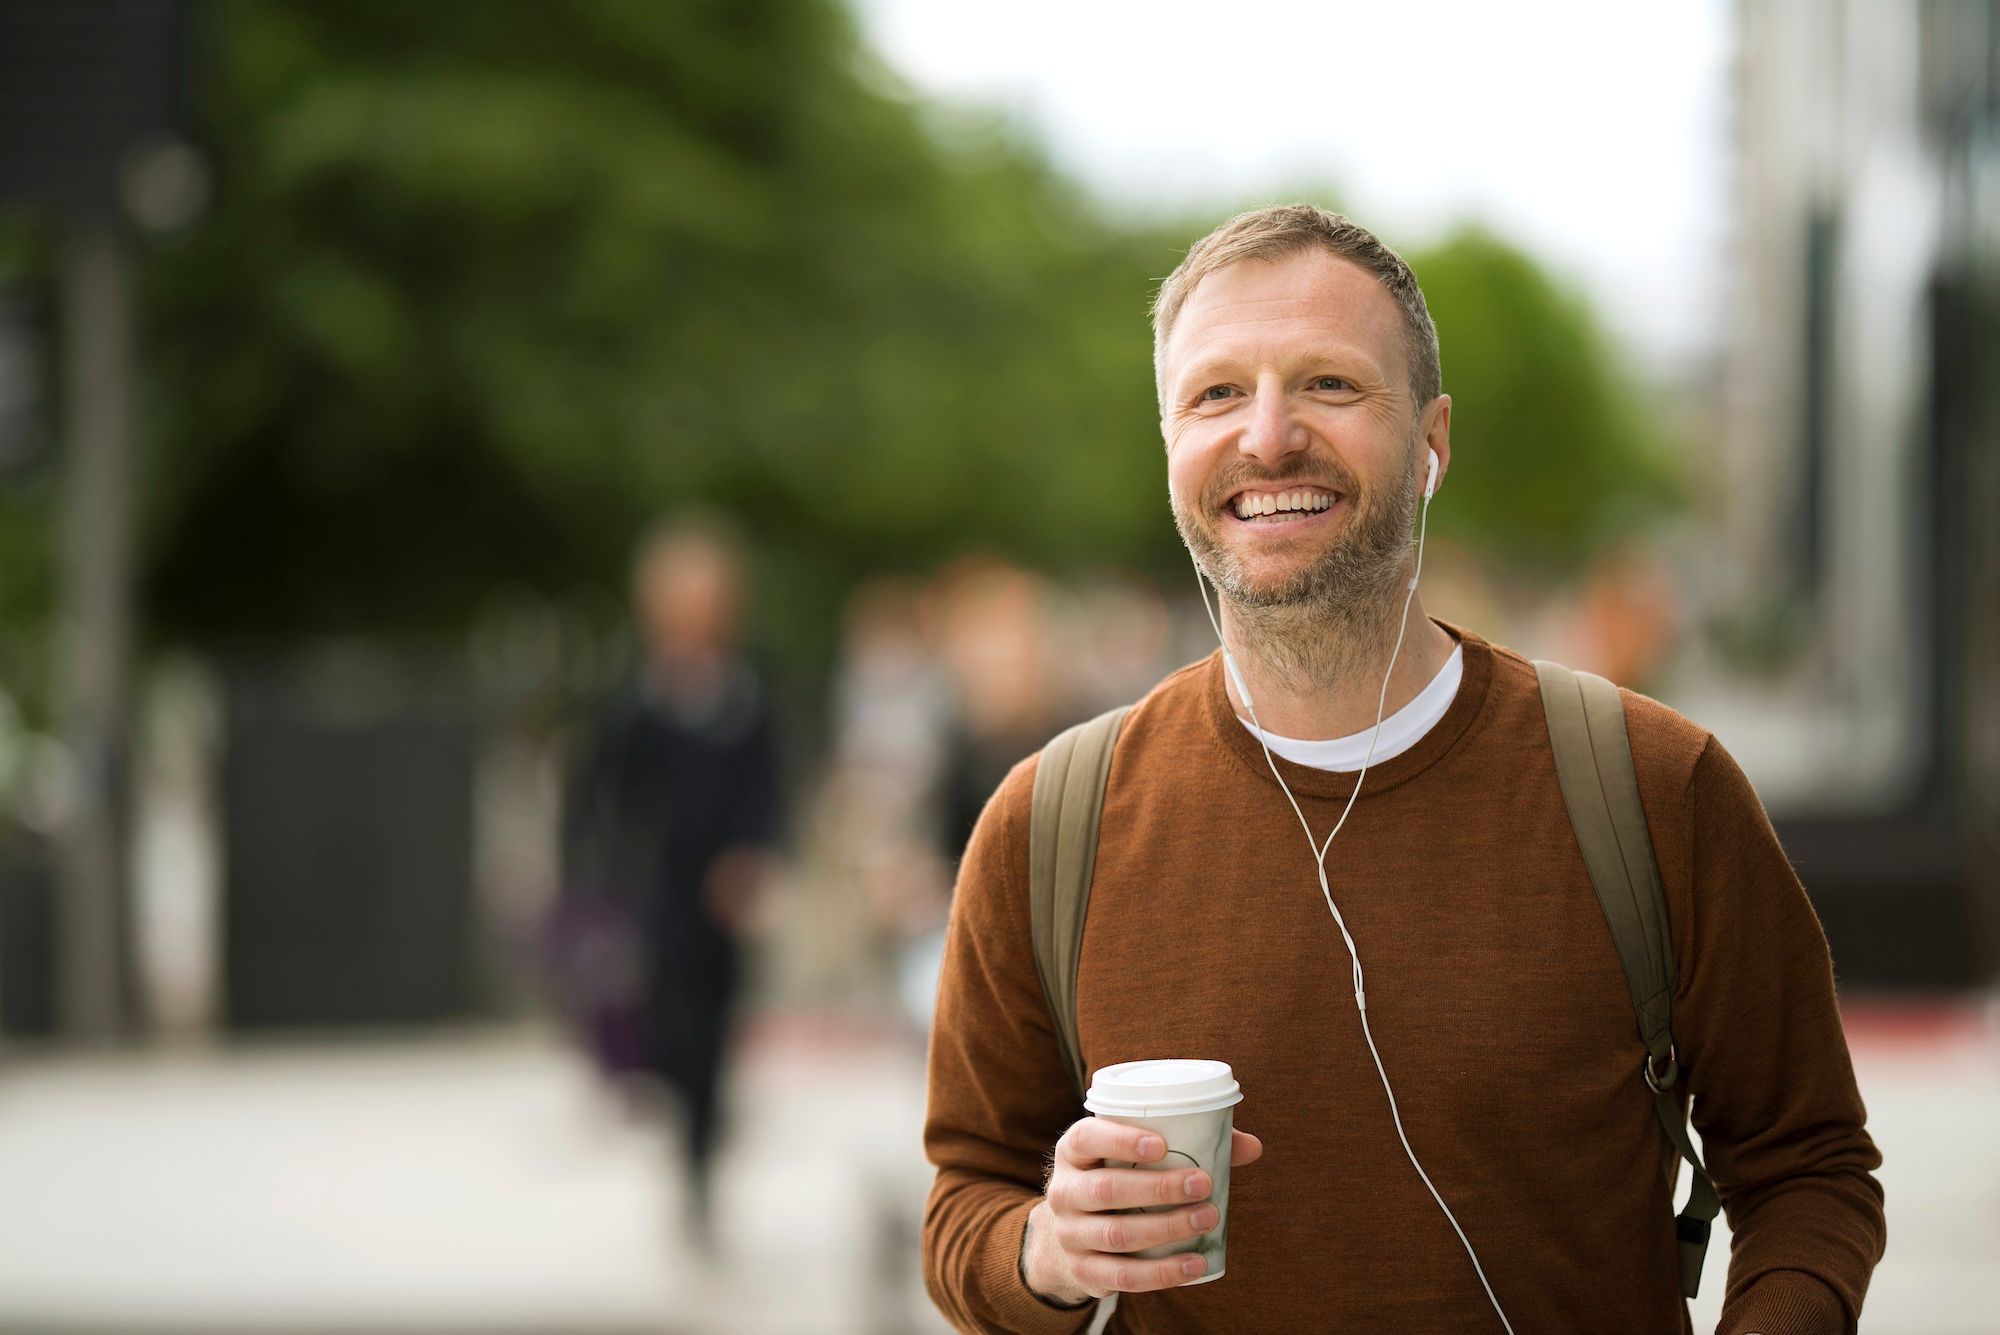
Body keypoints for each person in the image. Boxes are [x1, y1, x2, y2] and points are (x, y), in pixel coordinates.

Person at [921, 206, 1885, 1334]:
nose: (1267, 436)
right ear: (1170, 446)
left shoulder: (1653, 790)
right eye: (1215, 394)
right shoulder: (1048, 827)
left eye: (1328, 384)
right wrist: (1048, 1248)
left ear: (1430, 441)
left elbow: (1808, 1169)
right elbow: (963, 1205)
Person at [560, 513, 782, 1252]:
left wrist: (754, 858)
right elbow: (599, 799)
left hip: (722, 910)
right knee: (672, 1037)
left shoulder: (744, 698)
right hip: (659, 905)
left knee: (716, 1041)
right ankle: (686, 1138)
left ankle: (701, 1164)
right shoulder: (639, 702)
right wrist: (605, 884)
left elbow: (767, 794)